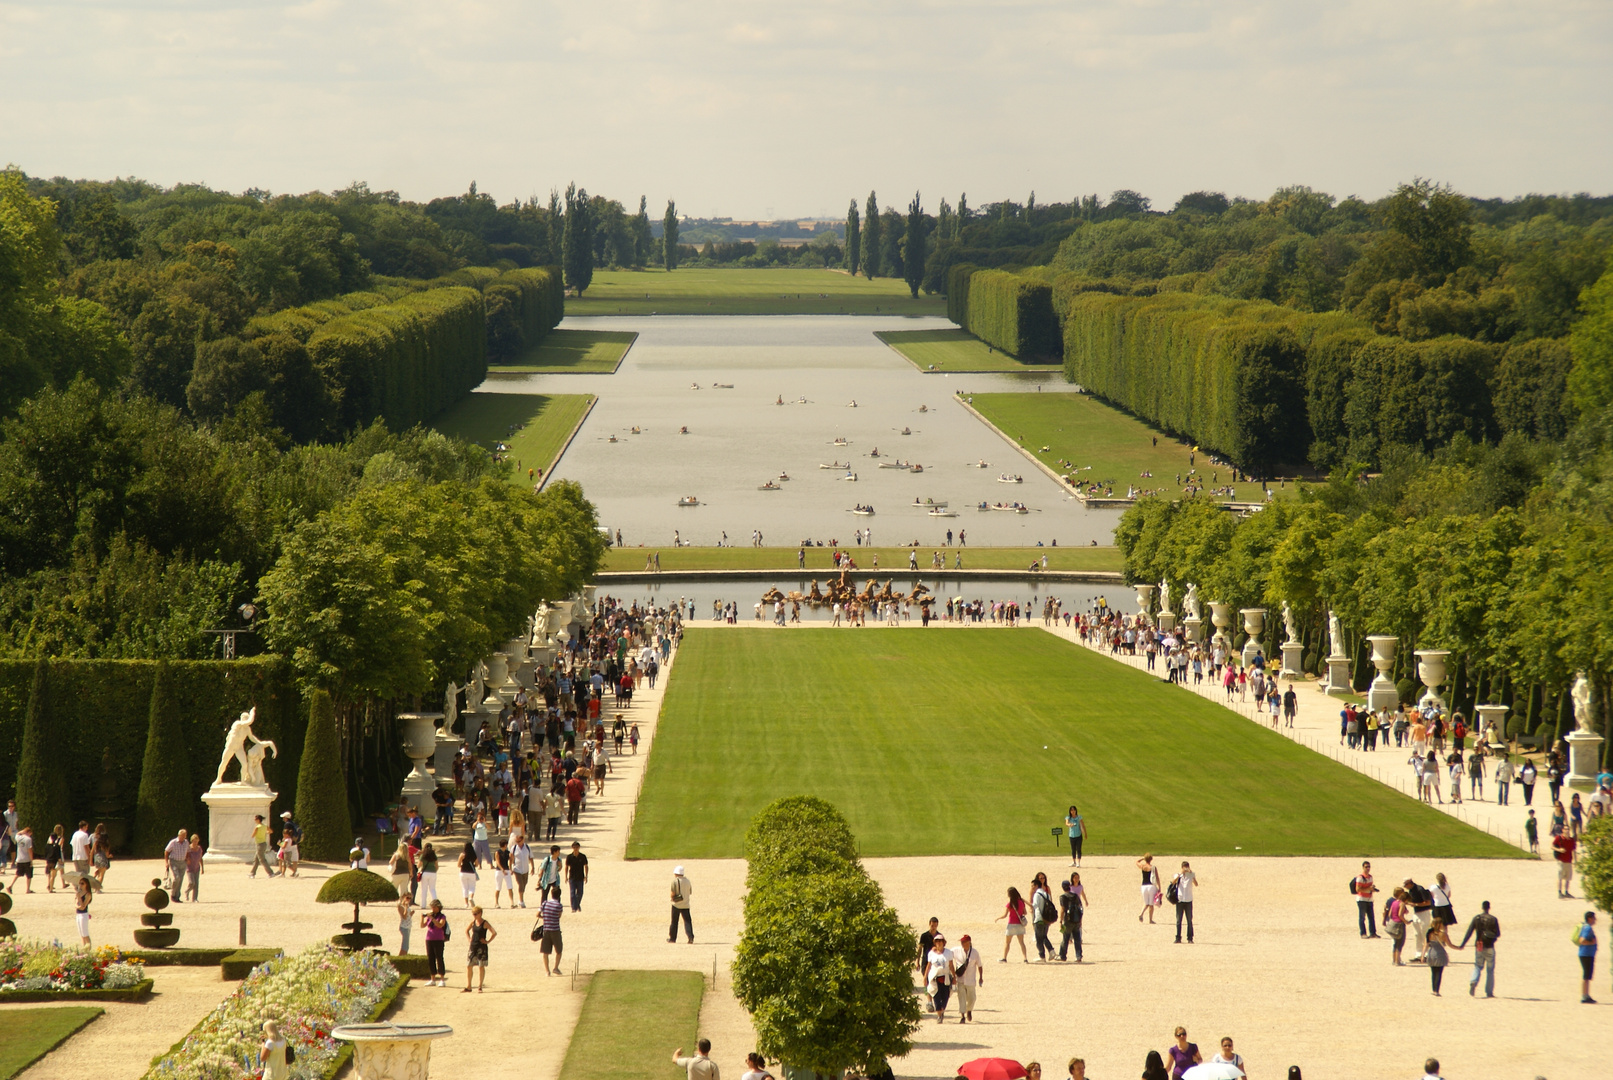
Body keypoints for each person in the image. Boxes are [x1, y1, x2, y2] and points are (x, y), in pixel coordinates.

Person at [1459, 900, 1500, 997]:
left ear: (1482, 907)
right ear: (1489, 907)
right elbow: (1498, 933)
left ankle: (1473, 981)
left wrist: (1463, 944)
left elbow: (1469, 932)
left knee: (1477, 966)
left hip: (1479, 945)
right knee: (1490, 970)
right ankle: (1489, 992)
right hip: (1490, 946)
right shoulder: (1493, 919)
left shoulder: (1477, 918)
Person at [462, 905, 495, 992]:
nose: (474, 915)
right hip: (473, 946)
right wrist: (469, 939)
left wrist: (487, 941)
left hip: (481, 947)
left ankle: (480, 986)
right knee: (469, 966)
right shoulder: (473, 922)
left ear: (480, 913)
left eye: (475, 914)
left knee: (481, 966)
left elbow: (494, 932)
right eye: (473, 914)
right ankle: (469, 986)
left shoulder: (485, 923)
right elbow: (466, 931)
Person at [924, 932, 956, 1022]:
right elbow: (928, 966)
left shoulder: (948, 952)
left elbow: (951, 965)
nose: (938, 943)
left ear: (943, 942)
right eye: (937, 941)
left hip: (945, 978)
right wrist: (925, 978)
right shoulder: (931, 953)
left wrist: (954, 977)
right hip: (935, 978)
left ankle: (942, 1011)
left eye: (940, 941)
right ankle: (939, 1015)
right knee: (936, 997)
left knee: (945, 998)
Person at [954, 933, 982, 1022]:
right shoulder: (956, 950)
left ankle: (969, 1010)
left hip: (970, 980)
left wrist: (981, 977)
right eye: (962, 942)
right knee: (961, 997)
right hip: (960, 979)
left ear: (969, 942)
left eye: (964, 942)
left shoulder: (974, 952)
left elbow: (979, 965)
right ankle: (962, 1016)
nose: (962, 943)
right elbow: (947, 953)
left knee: (972, 998)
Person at [996, 885, 1029, 962]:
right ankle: (1025, 958)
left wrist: (998, 918)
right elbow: (1025, 913)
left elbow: (1005, 915)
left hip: (1011, 924)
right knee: (1022, 943)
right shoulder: (1021, 903)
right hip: (1020, 924)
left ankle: (1004, 958)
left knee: (1007, 943)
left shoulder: (1009, 904)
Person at [422, 899, 450, 986]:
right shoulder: (430, 916)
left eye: (434, 907)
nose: (432, 909)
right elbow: (422, 925)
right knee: (431, 959)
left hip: (439, 939)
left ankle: (442, 979)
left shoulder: (442, 916)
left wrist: (432, 918)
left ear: (438, 907)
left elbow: (440, 925)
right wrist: (422, 918)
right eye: (432, 907)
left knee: (439, 958)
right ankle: (432, 979)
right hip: (429, 939)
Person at [538, 884, 565, 974]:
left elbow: (537, 914)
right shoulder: (559, 905)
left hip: (546, 930)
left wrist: (545, 918)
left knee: (545, 952)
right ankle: (555, 968)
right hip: (555, 930)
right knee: (559, 951)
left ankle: (547, 971)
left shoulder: (545, 903)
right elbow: (559, 916)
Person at [1425, 917, 1456, 995]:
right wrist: (1458, 948)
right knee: (1439, 973)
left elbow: (1426, 945)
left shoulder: (1429, 933)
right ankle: (1437, 990)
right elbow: (1450, 945)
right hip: (1440, 954)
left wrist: (1423, 955)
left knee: (1433, 972)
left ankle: (1433, 989)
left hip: (1431, 953)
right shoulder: (1443, 934)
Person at [1058, 877, 1086, 962]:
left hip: (1068, 920)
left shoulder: (1063, 896)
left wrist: (1060, 921)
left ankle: (1062, 956)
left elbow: (1063, 909)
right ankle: (1078, 956)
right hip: (1076, 919)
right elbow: (1080, 907)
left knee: (1065, 938)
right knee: (1077, 938)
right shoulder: (1075, 895)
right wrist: (1080, 920)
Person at [1573, 911, 1598, 1003]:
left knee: (1587, 975)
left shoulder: (1586, 927)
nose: (1595, 920)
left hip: (1586, 954)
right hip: (1586, 954)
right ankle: (1585, 996)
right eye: (1594, 918)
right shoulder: (1587, 928)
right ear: (1590, 918)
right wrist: (1592, 942)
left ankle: (1586, 995)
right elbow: (1582, 940)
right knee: (1586, 975)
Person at [1031, 873, 1056, 961]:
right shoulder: (1046, 894)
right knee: (1044, 935)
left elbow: (1035, 906)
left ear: (1036, 885)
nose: (1032, 888)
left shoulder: (1036, 895)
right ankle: (1051, 950)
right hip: (1047, 918)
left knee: (1039, 938)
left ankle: (1042, 956)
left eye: (1033, 886)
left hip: (1039, 918)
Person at [1173, 861, 1199, 944]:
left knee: (1189, 920)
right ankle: (1178, 937)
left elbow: (1196, 884)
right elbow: (1173, 882)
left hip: (1188, 900)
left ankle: (1190, 938)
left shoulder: (1191, 875)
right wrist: (1180, 874)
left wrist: (1192, 875)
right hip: (1180, 900)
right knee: (1178, 920)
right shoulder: (1177, 875)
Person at [1353, 860, 1379, 938]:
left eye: (1369, 867)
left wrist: (1373, 889)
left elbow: (1369, 887)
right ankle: (1363, 933)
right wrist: (1368, 889)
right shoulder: (1360, 878)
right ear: (1363, 867)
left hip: (1369, 899)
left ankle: (1373, 933)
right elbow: (1358, 889)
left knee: (1371, 917)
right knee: (1362, 917)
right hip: (1361, 899)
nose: (1368, 868)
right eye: (1366, 867)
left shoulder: (1370, 877)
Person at [669, 865, 694, 943]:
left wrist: (672, 898)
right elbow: (690, 892)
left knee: (674, 922)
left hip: (676, 904)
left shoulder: (675, 881)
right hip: (686, 904)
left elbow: (673, 893)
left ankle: (672, 938)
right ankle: (690, 937)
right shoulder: (687, 881)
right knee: (687, 921)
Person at [1385, 887, 1408, 965]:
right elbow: (1400, 914)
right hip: (1399, 924)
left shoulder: (1394, 902)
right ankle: (1397, 961)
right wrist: (1406, 921)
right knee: (1400, 943)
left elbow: (1390, 914)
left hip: (1393, 923)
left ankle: (1394, 960)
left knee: (1395, 943)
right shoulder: (1402, 903)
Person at [163, 829, 188, 901]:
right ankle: (173, 893)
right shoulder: (173, 842)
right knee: (177, 878)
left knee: (180, 880)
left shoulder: (186, 842)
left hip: (183, 862)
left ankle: (177, 897)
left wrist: (188, 858)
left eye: (185, 836)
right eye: (182, 836)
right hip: (174, 862)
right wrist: (166, 862)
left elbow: (188, 851)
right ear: (179, 835)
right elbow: (166, 851)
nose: (183, 837)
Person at [9, 826, 33, 894]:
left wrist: (22, 831)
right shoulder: (28, 839)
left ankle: (11, 886)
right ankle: (28, 889)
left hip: (19, 859)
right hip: (26, 859)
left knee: (18, 874)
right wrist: (31, 860)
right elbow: (30, 850)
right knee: (29, 875)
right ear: (29, 832)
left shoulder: (18, 838)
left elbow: (17, 834)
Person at [1553, 830, 1577, 897]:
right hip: (1561, 861)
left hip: (1569, 861)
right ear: (1563, 830)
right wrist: (1559, 850)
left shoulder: (1571, 840)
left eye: (1568, 830)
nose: (1567, 831)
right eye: (1566, 829)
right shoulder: (1559, 838)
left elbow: (1573, 850)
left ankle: (1566, 891)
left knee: (1568, 878)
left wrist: (1575, 860)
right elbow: (1552, 846)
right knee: (1560, 877)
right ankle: (1559, 892)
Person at [1138, 854, 1161, 924]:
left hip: (1144, 886)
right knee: (1151, 904)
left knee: (1146, 903)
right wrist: (1159, 887)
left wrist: (1142, 858)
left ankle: (1141, 913)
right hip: (1151, 886)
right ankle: (1150, 920)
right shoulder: (1153, 867)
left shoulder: (1142, 866)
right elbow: (1157, 878)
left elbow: (1137, 862)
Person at [566, 841, 589, 911]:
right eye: (574, 847)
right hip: (572, 877)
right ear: (572, 848)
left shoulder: (582, 856)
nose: (575, 849)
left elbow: (586, 866)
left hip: (580, 877)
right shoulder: (569, 857)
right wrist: (565, 876)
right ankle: (574, 907)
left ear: (579, 848)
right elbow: (566, 867)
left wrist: (586, 876)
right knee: (572, 893)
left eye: (577, 847)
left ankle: (577, 904)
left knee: (580, 893)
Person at [457, 841, 478, 906]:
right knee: (472, 887)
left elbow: (458, 865)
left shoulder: (462, 854)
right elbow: (477, 864)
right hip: (471, 872)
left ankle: (466, 903)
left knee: (464, 888)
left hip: (463, 872)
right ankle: (471, 897)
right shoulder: (474, 855)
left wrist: (463, 865)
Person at [74, 874, 93, 944]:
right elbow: (75, 903)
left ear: (86, 885)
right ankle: (84, 948)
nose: (80, 885)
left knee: (85, 934)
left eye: (82, 883)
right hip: (78, 914)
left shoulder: (88, 894)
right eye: (80, 883)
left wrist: (79, 897)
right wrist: (77, 904)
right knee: (81, 934)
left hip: (83, 914)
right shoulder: (79, 893)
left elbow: (83, 906)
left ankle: (88, 949)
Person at [184, 834, 204, 901]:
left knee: (196, 884)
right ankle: (187, 891)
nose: (195, 842)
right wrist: (187, 860)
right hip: (189, 868)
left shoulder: (199, 848)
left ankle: (195, 898)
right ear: (192, 841)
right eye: (194, 841)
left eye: (196, 841)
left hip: (197, 868)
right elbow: (185, 857)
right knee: (192, 882)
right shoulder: (189, 848)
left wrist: (202, 868)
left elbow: (200, 858)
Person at [396, 890, 417, 955]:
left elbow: (407, 916)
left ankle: (402, 958)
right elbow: (404, 917)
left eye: (410, 898)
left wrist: (411, 913)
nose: (409, 900)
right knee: (405, 946)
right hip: (404, 927)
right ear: (403, 897)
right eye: (407, 898)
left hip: (408, 926)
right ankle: (400, 959)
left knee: (406, 945)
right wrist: (405, 907)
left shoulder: (407, 905)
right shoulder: (400, 906)